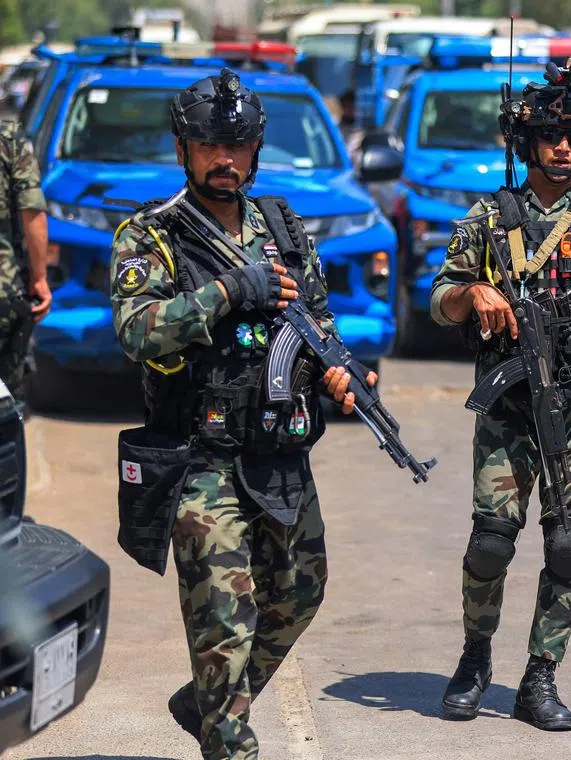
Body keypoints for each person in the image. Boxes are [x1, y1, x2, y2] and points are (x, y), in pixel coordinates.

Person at [109, 68, 376, 760]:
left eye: (237, 147)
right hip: (200, 457)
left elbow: (316, 322)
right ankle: (228, 732)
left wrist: (341, 372)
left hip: (277, 450)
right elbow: (138, 331)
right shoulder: (152, 234)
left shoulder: (282, 227)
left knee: (301, 592)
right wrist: (228, 291)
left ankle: (206, 702)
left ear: (257, 150)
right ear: (182, 150)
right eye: (207, 147)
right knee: (224, 629)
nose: (223, 160)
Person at [429, 56, 571, 731]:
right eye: (552, 137)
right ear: (526, 143)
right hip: (506, 403)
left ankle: (540, 677)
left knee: (568, 543)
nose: (563, 148)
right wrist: (473, 293)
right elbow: (438, 297)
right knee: (491, 541)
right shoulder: (489, 217)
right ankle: (474, 659)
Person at [0, 120, 51, 406]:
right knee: (6, 406)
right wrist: (39, 277)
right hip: (4, 290)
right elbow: (32, 211)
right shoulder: (8, 139)